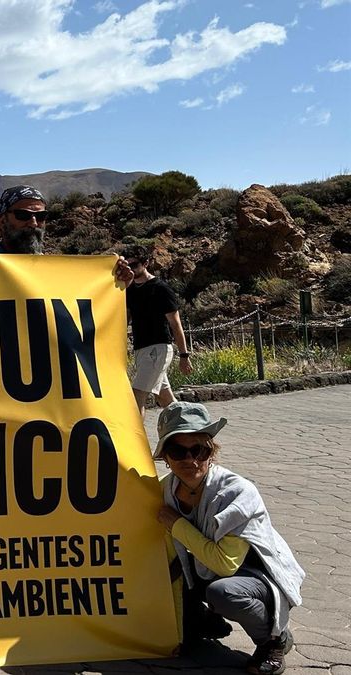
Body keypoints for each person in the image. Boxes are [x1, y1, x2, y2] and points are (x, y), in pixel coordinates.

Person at [154, 402, 304, 675]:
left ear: (212, 452)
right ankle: (204, 621)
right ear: (166, 456)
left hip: (254, 576)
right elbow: (168, 554)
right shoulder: (166, 489)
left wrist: (177, 524)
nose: (191, 460)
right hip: (202, 568)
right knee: (160, 576)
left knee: (224, 593)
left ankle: (274, 640)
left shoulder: (237, 493)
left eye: (199, 449)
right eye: (178, 451)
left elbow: (225, 565)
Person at [124, 245, 191, 415]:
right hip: (141, 348)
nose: (131, 269)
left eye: (135, 264)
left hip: (158, 348)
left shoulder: (160, 288)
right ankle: (193, 430)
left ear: (146, 263)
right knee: (165, 398)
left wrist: (184, 355)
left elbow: (175, 324)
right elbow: (126, 319)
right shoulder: (130, 290)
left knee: (137, 396)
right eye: (128, 265)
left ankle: (136, 440)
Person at [0, 185, 52, 259]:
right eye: (23, 215)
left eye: (41, 216)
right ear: (3, 221)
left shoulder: (50, 266)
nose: (34, 223)